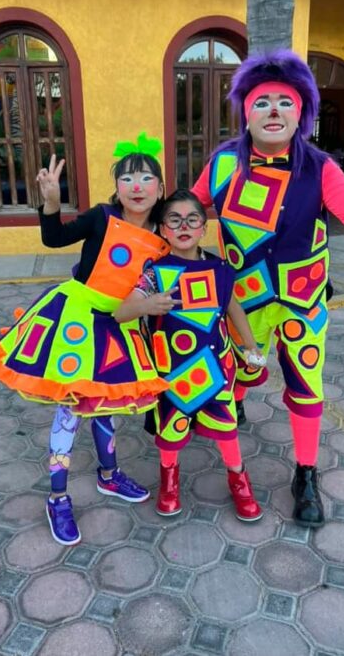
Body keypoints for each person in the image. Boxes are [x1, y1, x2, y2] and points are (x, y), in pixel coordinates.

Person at [191, 49, 344, 528]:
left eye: (284, 102)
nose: (273, 110)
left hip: (302, 301)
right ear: (246, 110)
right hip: (241, 304)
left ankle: (305, 473)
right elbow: (186, 211)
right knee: (244, 373)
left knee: (306, 387)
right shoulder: (224, 163)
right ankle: (241, 397)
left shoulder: (319, 166)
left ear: (301, 112)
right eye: (262, 101)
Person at [0, 133, 171, 545]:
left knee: (102, 401)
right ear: (117, 188)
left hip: (120, 324)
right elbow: (54, 238)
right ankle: (58, 497)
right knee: (71, 406)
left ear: (160, 188)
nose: (136, 186)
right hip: (77, 319)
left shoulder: (164, 232)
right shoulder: (101, 217)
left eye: (145, 178)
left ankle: (108, 475)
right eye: (127, 179)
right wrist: (50, 202)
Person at [115, 190, 265, 521]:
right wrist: (147, 305)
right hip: (172, 373)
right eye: (174, 219)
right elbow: (122, 313)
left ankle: (238, 480)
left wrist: (251, 345)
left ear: (203, 228)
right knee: (170, 432)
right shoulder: (155, 273)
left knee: (227, 428)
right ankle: (169, 480)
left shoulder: (221, 269)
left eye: (192, 219)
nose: (184, 226)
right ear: (163, 229)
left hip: (216, 368)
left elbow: (232, 306)